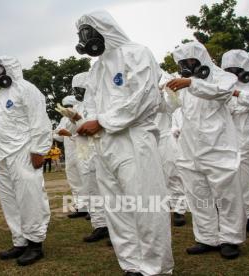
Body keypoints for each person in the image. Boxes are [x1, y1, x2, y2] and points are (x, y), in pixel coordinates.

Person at [74, 10, 174, 275]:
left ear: (103, 29)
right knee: (116, 208)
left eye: (88, 33)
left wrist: (102, 121)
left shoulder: (136, 53)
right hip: (105, 144)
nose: (85, 40)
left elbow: (144, 97)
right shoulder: (96, 68)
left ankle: (155, 268)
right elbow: (91, 104)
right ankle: (132, 263)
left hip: (134, 140)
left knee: (145, 205)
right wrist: (90, 122)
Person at [166, 41, 246, 259]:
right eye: (181, 63)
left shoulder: (224, 77)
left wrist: (190, 84)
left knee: (227, 195)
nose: (185, 66)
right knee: (197, 195)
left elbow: (220, 93)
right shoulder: (185, 83)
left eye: (188, 61)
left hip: (219, 146)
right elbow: (171, 107)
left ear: (200, 59)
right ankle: (206, 238)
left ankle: (230, 239)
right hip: (190, 147)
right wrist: (166, 92)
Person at [0, 56, 52, 266]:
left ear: (10, 69)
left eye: (0, 69)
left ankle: (35, 243)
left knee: (30, 197)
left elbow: (39, 120)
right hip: (2, 155)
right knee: (9, 200)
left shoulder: (27, 89)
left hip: (23, 152)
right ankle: (20, 241)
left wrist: (39, 149)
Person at [58, 74, 110, 243]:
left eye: (80, 89)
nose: (77, 93)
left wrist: (78, 119)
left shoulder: (98, 101)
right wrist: (73, 119)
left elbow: (95, 126)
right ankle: (99, 225)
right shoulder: (81, 106)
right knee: (90, 190)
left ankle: (113, 227)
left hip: (98, 151)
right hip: (84, 153)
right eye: (75, 90)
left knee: (106, 191)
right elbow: (75, 131)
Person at [221, 49, 249, 232]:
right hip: (240, 137)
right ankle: (248, 216)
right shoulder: (227, 84)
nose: (235, 74)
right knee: (242, 181)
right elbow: (228, 109)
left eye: (237, 69)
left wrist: (240, 96)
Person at [157, 71, 187, 226]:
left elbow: (173, 105)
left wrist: (162, 91)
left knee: (171, 174)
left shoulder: (164, 83)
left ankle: (179, 210)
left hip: (163, 136)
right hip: (143, 140)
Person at [54, 95, 87, 219]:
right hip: (70, 153)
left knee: (86, 180)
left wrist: (67, 132)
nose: (67, 109)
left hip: (82, 150)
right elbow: (58, 136)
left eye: (70, 106)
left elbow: (83, 130)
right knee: (74, 181)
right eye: (66, 106)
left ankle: (93, 209)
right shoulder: (63, 119)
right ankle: (81, 207)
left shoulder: (81, 115)